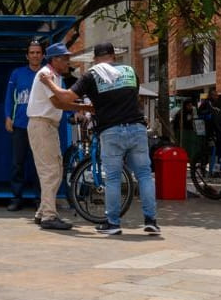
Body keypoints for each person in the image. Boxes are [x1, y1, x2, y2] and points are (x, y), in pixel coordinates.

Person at [42, 42, 159, 236]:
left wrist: (48, 82)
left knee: (112, 178)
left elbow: (66, 97)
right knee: (144, 175)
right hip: (137, 128)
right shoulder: (130, 71)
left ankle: (113, 224)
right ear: (114, 56)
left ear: (95, 58)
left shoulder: (92, 75)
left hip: (111, 131)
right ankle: (151, 221)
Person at [26, 42, 90, 230]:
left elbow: (59, 101)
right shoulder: (47, 74)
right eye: (65, 58)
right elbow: (59, 102)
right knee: (51, 171)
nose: (67, 62)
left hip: (46, 125)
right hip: (42, 124)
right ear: (54, 59)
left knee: (53, 169)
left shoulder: (54, 76)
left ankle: (43, 212)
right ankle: (48, 216)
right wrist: (84, 107)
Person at [3, 39, 45, 211]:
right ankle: (16, 197)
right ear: (27, 56)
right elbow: (9, 97)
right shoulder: (17, 73)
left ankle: (41, 199)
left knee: (39, 164)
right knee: (17, 164)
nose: (35, 55)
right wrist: (7, 116)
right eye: (32, 52)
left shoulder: (47, 73)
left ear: (43, 55)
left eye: (38, 52)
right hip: (20, 124)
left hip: (41, 125)